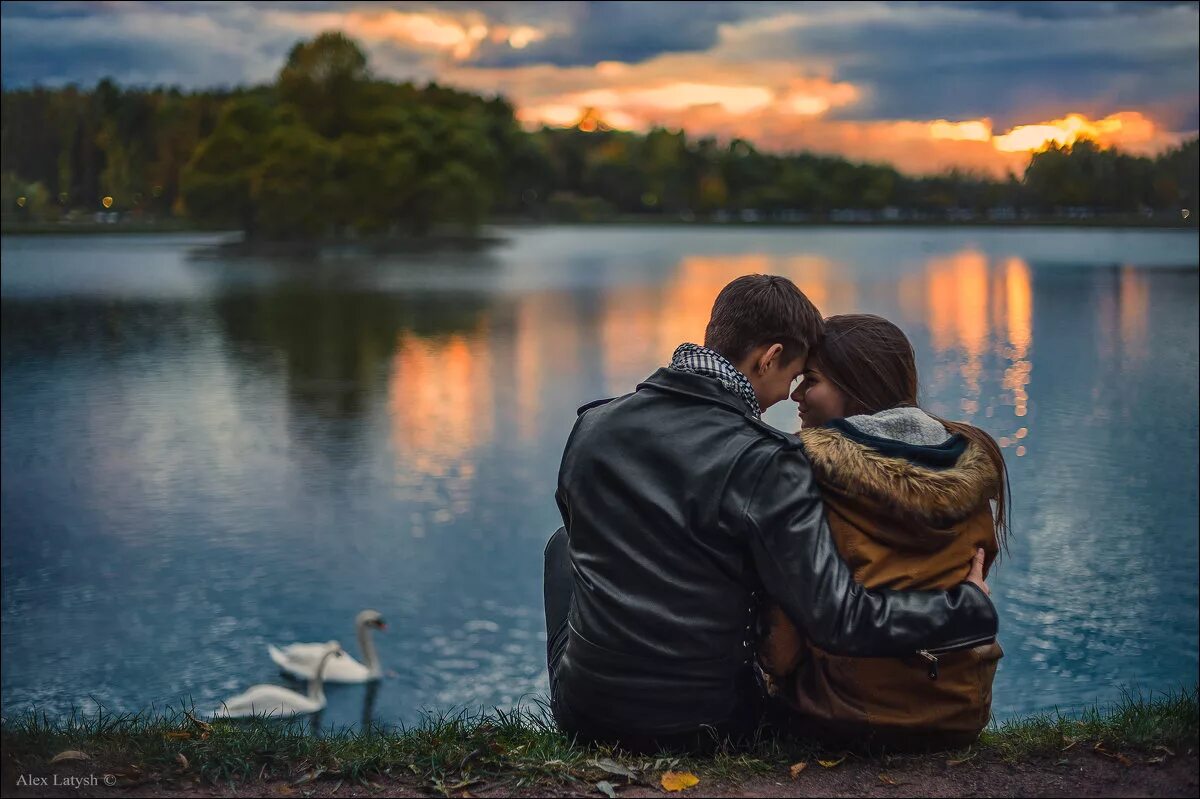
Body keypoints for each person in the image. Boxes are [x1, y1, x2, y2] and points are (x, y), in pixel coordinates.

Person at [544, 275, 998, 753]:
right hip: (711, 722)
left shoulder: (592, 425)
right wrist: (965, 608)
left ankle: (603, 682)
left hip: (587, 715)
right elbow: (837, 616)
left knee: (563, 547)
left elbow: (587, 533)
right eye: (791, 376)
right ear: (769, 357)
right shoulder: (767, 461)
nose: (788, 396)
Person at [759, 313, 1008, 751]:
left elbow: (783, 647)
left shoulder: (804, 472)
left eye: (810, 379)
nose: (795, 394)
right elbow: (975, 575)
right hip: (960, 710)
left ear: (858, 386)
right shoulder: (972, 462)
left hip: (840, 714)